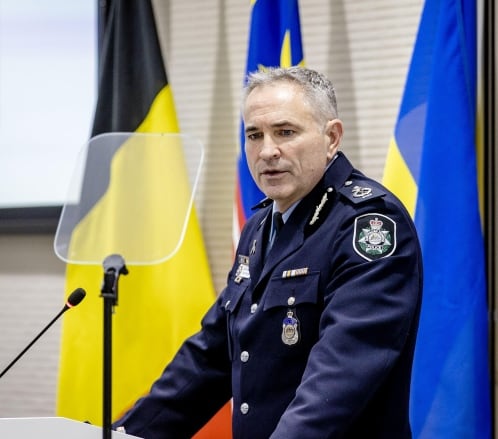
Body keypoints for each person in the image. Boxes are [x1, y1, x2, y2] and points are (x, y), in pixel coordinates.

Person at [114, 66, 423, 438]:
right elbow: (212, 356)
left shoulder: (368, 225)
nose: (267, 151)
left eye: (285, 132)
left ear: (331, 138)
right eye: (254, 135)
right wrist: (126, 433)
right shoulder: (261, 225)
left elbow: (338, 377)